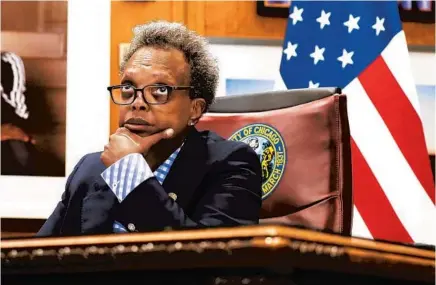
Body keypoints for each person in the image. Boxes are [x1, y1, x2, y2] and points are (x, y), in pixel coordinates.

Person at [36, 21, 262, 236]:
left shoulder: (231, 164)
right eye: (128, 87)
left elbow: (207, 260)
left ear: (195, 109)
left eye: (160, 90)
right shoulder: (90, 168)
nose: (137, 102)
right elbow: (37, 259)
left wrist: (128, 173)